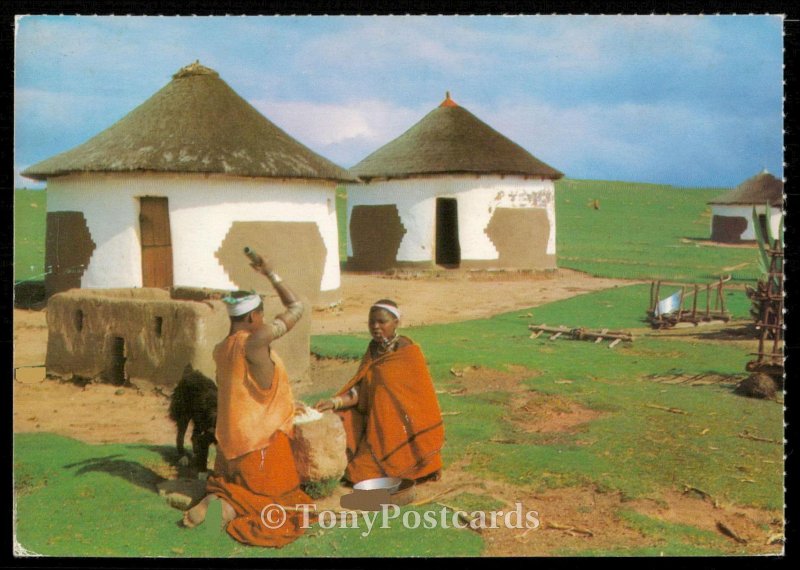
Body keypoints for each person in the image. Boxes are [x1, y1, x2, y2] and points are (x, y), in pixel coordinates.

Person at [182, 254, 313, 548]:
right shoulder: (255, 342)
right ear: (254, 317)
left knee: (237, 486)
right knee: (284, 502)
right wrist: (270, 272)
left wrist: (289, 406)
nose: (264, 321)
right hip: (260, 446)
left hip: (229, 448)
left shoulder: (221, 349)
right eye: (262, 316)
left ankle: (217, 501)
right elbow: (297, 307)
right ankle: (226, 510)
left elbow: (251, 394)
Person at [316, 299, 444, 484]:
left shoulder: (408, 352)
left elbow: (421, 398)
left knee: (365, 475)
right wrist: (334, 402)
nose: (375, 327)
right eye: (371, 322)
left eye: (381, 322)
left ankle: (420, 468)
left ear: (396, 323)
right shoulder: (373, 349)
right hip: (378, 427)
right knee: (356, 474)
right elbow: (363, 388)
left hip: (406, 427)